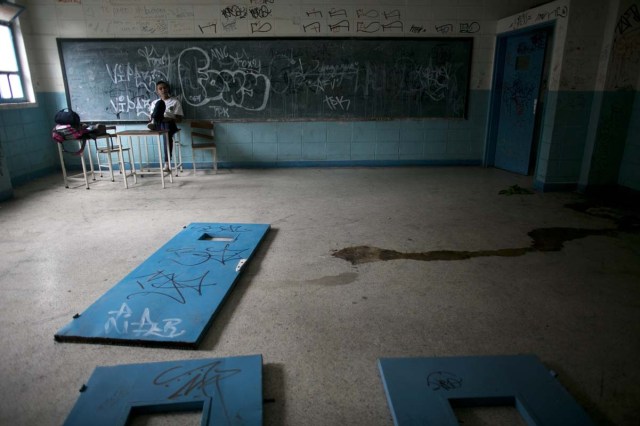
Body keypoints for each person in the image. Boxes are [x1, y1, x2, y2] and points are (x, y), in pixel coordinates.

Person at [148, 80, 183, 171]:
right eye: (160, 88)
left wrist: (170, 118)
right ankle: (153, 123)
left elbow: (179, 119)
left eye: (165, 88)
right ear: (157, 91)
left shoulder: (175, 101)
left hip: (169, 124)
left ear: (168, 89)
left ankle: (167, 163)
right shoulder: (155, 103)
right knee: (160, 103)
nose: (163, 90)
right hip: (158, 123)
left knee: (166, 135)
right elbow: (152, 114)